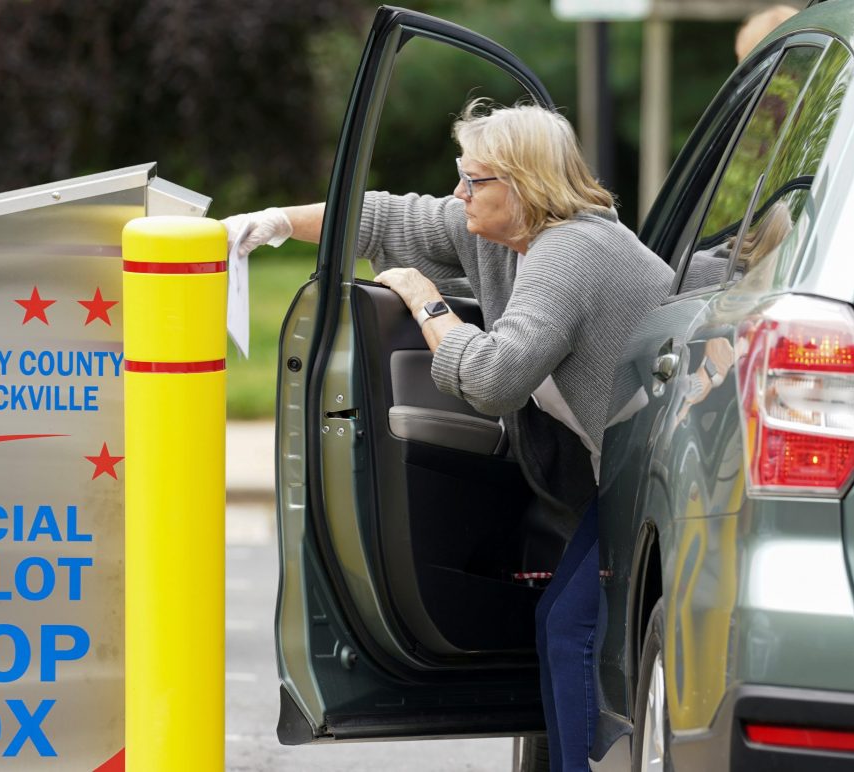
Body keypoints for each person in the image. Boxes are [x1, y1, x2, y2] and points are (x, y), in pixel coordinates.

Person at [224, 100, 673, 772]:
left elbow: (493, 380)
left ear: (519, 185)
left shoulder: (569, 253)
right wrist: (275, 224)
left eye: (472, 180)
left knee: (573, 628)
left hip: (657, 471)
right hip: (629, 468)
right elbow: (383, 216)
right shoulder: (502, 235)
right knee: (566, 623)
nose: (457, 194)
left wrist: (424, 300)